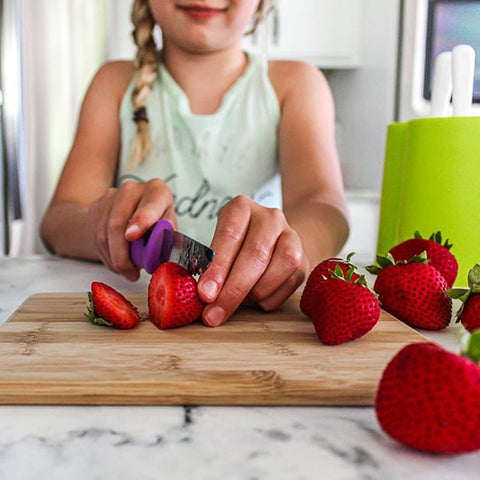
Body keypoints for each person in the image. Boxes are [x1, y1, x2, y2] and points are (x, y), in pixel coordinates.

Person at [40, 0, 349, 327]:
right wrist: (109, 224)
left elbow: (324, 207)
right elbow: (58, 222)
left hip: (249, 322)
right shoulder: (112, 83)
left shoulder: (297, 83)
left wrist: (286, 251)